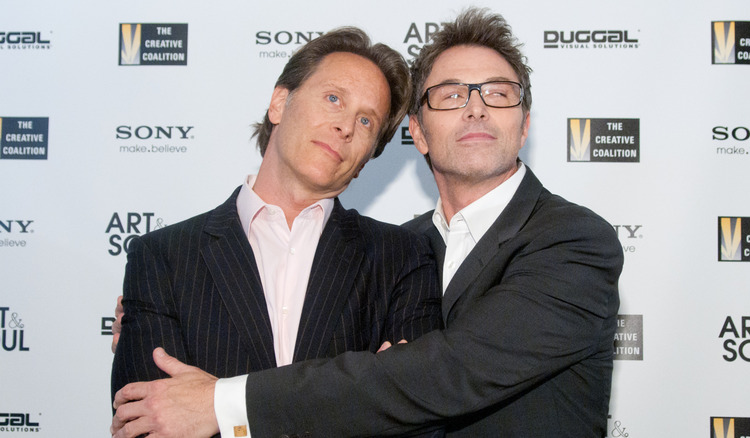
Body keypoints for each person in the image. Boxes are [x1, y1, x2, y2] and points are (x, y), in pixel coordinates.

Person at [112, 8, 623, 438]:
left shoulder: (573, 240)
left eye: (498, 93)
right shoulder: (410, 244)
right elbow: (149, 414)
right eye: (450, 94)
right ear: (418, 134)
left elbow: (447, 373)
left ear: (525, 124)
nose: (475, 108)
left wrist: (222, 403)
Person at [110, 26, 443, 436]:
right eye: (333, 98)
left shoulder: (402, 258)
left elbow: (413, 422)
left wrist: (220, 406)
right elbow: (145, 423)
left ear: (366, 158)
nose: (346, 126)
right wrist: (357, 392)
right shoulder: (162, 256)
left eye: (366, 120)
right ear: (280, 103)